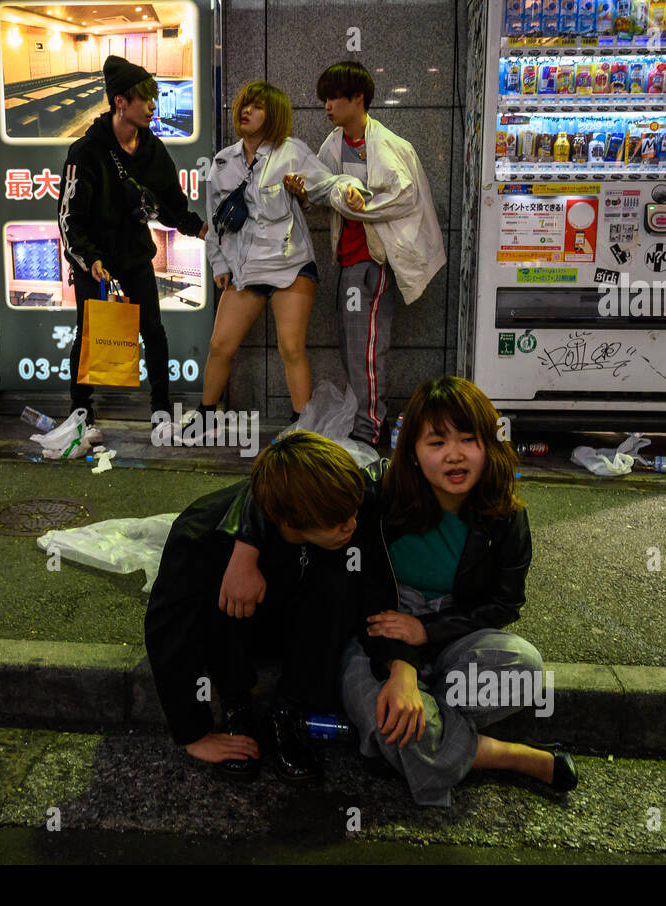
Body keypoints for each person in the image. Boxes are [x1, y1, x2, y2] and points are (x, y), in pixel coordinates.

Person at [223, 377, 578, 806]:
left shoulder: (505, 516)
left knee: (525, 669)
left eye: (469, 439)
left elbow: (504, 604)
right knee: (395, 720)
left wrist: (426, 632)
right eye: (436, 442)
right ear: (412, 450)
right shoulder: (380, 493)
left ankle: (417, 731)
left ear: (489, 445)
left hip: (454, 633)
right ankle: (517, 758)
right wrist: (244, 552)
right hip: (377, 632)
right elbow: (285, 478)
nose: (454, 455)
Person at [144, 431, 423, 784]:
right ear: (288, 521)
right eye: (338, 522)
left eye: (353, 512)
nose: (351, 523)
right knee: (217, 584)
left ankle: (288, 712)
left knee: (343, 573)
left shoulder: (347, 502)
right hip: (239, 632)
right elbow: (166, 629)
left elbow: (387, 477)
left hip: (304, 623)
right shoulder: (200, 533)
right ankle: (237, 706)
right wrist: (193, 734)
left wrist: (402, 665)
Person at [172, 81, 367, 446]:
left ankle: (301, 428)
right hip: (245, 268)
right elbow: (215, 223)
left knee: (291, 347)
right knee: (219, 345)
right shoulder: (223, 161)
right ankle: (207, 415)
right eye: (244, 105)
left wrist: (334, 192)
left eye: (257, 107)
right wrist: (219, 266)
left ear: (273, 114)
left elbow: (327, 185)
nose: (246, 111)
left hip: (291, 263)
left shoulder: (291, 152)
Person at [285, 61, 446, 446]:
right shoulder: (334, 143)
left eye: (333, 97)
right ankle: (367, 424)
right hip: (349, 260)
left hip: (373, 263)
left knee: (366, 351)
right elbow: (325, 190)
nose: (326, 106)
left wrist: (356, 199)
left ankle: (370, 431)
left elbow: (403, 197)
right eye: (324, 98)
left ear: (358, 98)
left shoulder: (390, 147)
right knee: (354, 348)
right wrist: (306, 191)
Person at [57, 55, 207, 443]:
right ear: (120, 102)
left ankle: (160, 411)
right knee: (88, 336)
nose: (153, 106)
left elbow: (173, 205)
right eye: (146, 99)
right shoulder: (85, 152)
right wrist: (89, 260)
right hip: (97, 263)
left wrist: (197, 227)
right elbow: (69, 219)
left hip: (136, 257)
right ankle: (81, 413)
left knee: (153, 333)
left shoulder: (153, 150)